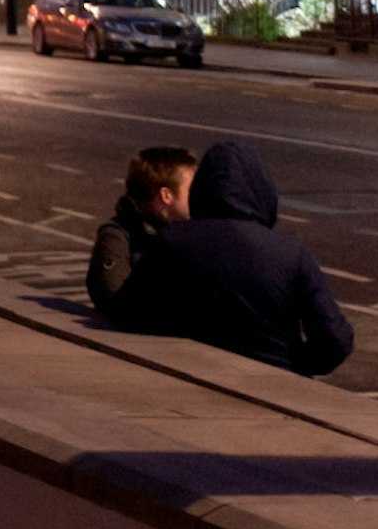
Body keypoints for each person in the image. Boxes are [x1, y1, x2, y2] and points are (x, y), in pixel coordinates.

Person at [102, 139, 355, 375]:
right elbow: (335, 340)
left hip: (193, 374)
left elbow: (126, 311)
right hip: (273, 377)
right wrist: (294, 363)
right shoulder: (290, 252)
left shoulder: (172, 242)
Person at [86, 144, 197, 315]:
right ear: (166, 196)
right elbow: (113, 301)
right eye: (191, 189)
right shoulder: (118, 236)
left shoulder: (195, 232)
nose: (199, 195)